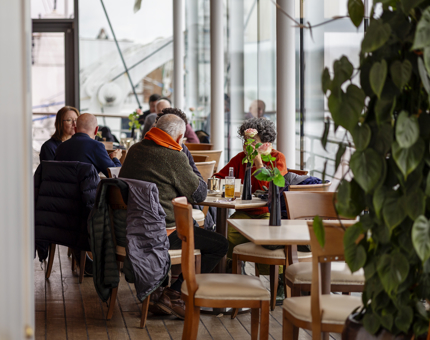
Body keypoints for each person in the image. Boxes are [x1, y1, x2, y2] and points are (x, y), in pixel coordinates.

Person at [119, 110, 228, 319]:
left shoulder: (134, 150)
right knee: (220, 244)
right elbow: (199, 194)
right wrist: (187, 160)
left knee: (196, 230)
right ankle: (174, 293)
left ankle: (160, 293)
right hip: (165, 233)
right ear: (179, 138)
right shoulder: (174, 156)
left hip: (132, 230)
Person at [214, 118, 287, 261]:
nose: (248, 145)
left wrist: (258, 161)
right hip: (244, 213)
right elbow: (218, 177)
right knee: (227, 234)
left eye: (253, 141)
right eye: (246, 141)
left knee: (269, 240)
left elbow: (271, 187)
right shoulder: (241, 158)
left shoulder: (277, 158)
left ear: (265, 141)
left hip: (268, 213)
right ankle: (233, 269)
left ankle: (273, 279)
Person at [55, 113, 122, 177]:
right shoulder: (96, 146)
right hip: (87, 188)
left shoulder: (60, 147)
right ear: (96, 130)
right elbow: (115, 175)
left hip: (61, 189)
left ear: (75, 129)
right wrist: (115, 158)